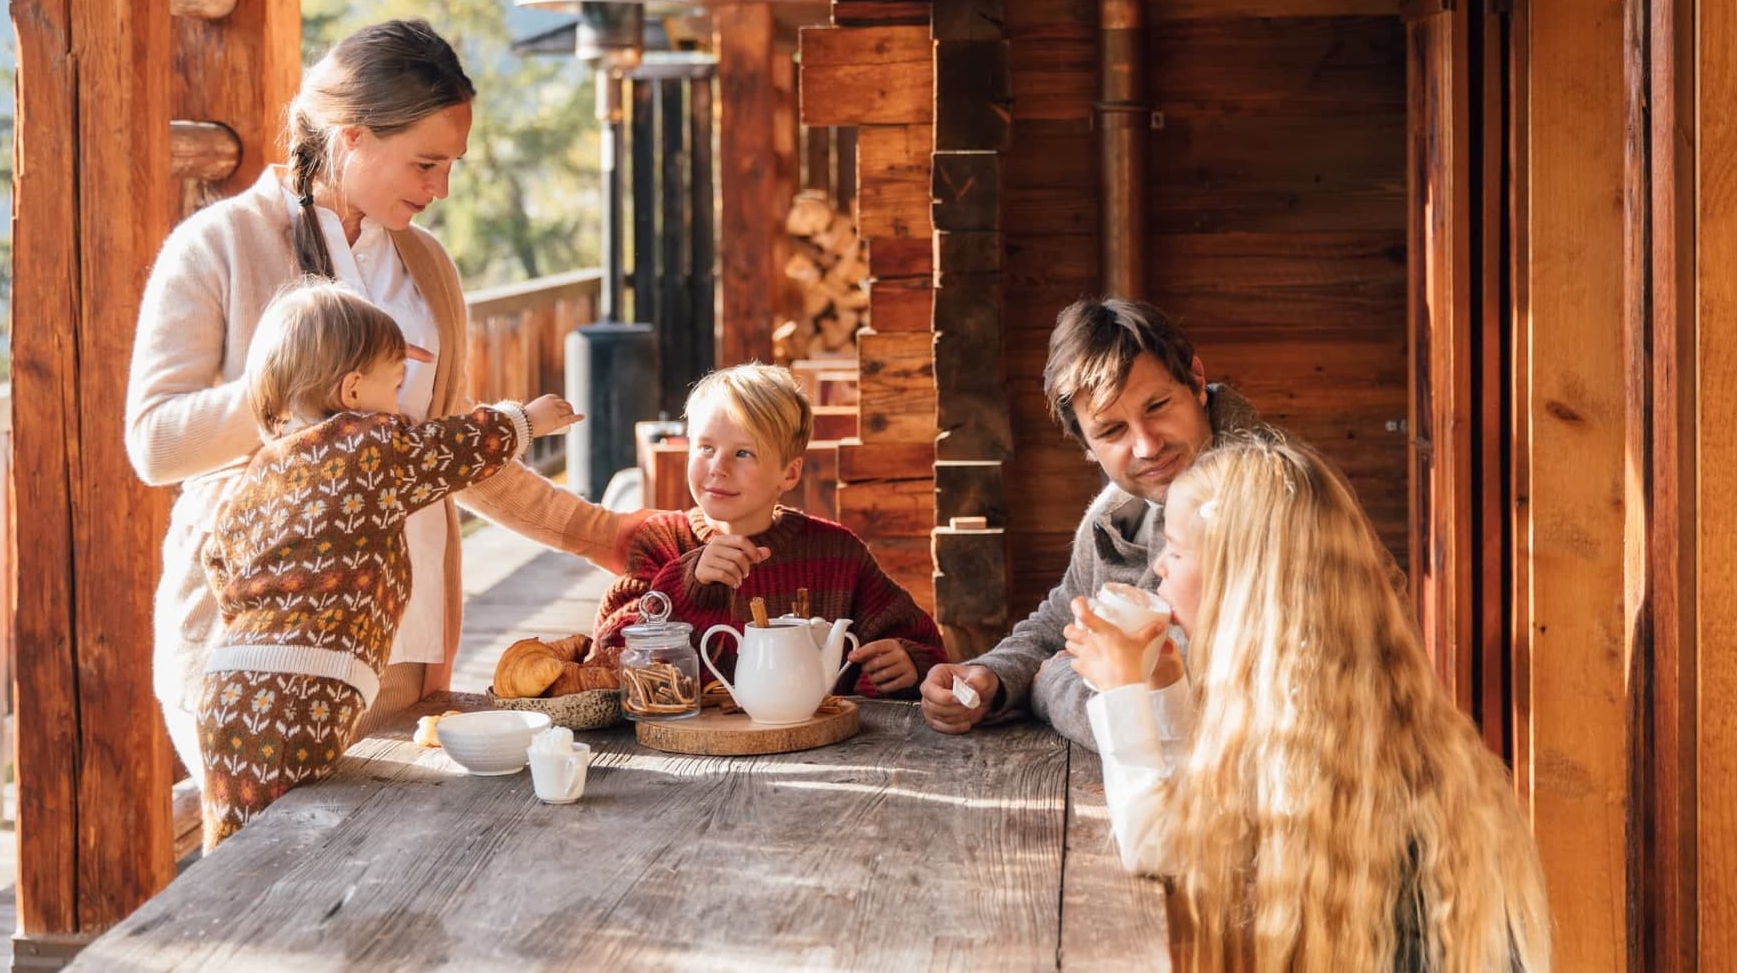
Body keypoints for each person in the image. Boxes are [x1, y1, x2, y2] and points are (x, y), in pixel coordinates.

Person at [126, 19, 646, 779]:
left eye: (451, 166)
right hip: (251, 651)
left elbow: (449, 453)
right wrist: (304, 392)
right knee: (267, 885)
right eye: (426, 163)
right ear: (352, 137)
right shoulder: (219, 247)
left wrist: (604, 535)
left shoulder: (425, 265)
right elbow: (156, 443)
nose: (440, 189)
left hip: (399, 648)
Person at [1064, 432, 1552, 973]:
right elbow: (1197, 815)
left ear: (1242, 582)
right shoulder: (1337, 710)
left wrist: (1122, 695)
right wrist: (1163, 686)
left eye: (1179, 552)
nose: (1158, 565)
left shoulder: (1298, 749)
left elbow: (1159, 849)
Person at [196, 281, 580, 847]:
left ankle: (217, 918)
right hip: (297, 690)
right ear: (353, 390)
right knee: (282, 847)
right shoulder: (368, 444)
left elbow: (218, 558)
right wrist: (524, 421)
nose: (402, 407)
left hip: (227, 687)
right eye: (395, 385)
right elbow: (446, 448)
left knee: (235, 840)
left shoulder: (261, 472)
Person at [920, 298, 1260, 745]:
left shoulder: (1265, 503)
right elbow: (1065, 615)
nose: (1146, 446)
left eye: (1157, 405)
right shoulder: (1118, 509)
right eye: (1112, 431)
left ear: (1196, 381)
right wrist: (991, 677)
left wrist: (1051, 686)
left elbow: (1174, 719)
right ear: (1083, 441)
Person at [589, 363, 944, 697]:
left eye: (743, 453)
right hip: (682, 752)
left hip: (819, 750)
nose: (718, 467)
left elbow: (922, 644)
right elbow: (608, 656)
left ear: (789, 474)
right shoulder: (662, 542)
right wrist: (686, 586)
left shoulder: (836, 554)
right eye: (706, 447)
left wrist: (912, 662)